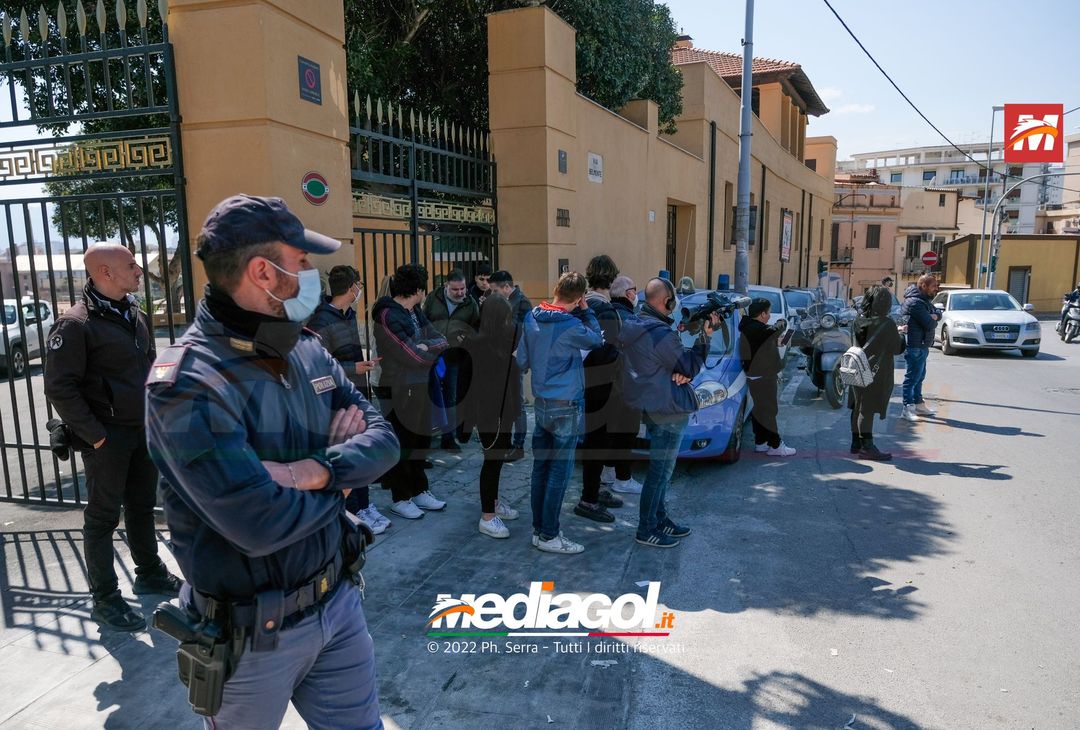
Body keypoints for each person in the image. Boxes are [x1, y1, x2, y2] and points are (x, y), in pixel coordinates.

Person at [144, 194, 399, 727]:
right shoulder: (188, 382)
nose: (311, 273)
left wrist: (318, 471)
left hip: (339, 605)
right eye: (301, 262)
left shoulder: (304, 347)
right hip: (250, 640)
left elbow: (385, 439)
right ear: (263, 272)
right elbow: (257, 524)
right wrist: (347, 483)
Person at [43, 242, 181, 632]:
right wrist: (96, 436)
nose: (139, 270)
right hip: (106, 437)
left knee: (140, 507)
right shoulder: (75, 324)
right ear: (104, 272)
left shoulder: (132, 312)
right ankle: (105, 599)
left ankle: (150, 573)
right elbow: (59, 387)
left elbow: (148, 365)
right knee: (103, 518)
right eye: (131, 265)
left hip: (140, 430)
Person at [618, 278, 718, 548]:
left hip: (654, 404)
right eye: (674, 301)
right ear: (667, 302)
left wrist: (678, 366)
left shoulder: (639, 325)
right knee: (660, 472)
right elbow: (687, 366)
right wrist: (705, 338)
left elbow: (670, 363)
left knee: (661, 469)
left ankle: (659, 519)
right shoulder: (660, 333)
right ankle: (646, 528)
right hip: (667, 409)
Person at [517, 271, 603, 554]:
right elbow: (596, 340)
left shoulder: (531, 316)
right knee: (559, 473)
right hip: (566, 404)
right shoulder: (572, 325)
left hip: (541, 401)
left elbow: (522, 361)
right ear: (579, 298)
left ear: (555, 290)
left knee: (540, 467)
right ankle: (550, 534)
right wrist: (587, 312)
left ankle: (538, 530)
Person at [307, 265, 390, 534]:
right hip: (334, 400)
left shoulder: (349, 314)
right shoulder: (321, 320)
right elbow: (319, 366)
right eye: (359, 285)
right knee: (345, 454)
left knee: (361, 450)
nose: (360, 291)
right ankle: (352, 510)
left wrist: (359, 367)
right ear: (352, 287)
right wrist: (355, 368)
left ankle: (364, 504)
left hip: (356, 392)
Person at [372, 263, 450, 519]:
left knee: (420, 440)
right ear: (417, 289)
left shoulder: (415, 311)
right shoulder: (387, 315)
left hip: (421, 384)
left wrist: (426, 346)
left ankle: (419, 490)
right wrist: (427, 350)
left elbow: (441, 339)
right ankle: (400, 496)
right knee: (403, 443)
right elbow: (408, 354)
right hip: (399, 387)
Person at [460, 290, 523, 538]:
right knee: (492, 460)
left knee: (497, 461)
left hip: (502, 410)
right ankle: (488, 516)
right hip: (489, 412)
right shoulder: (479, 346)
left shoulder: (503, 341)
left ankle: (494, 502)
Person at [576, 255, 626, 523]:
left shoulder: (584, 305)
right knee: (597, 443)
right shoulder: (603, 310)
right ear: (613, 278)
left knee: (597, 442)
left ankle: (595, 490)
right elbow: (605, 352)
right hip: (601, 386)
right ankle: (589, 499)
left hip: (587, 382)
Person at [422, 269, 480, 451]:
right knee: (429, 394)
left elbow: (476, 328)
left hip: (455, 356)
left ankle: (449, 436)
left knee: (451, 396)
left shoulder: (470, 304)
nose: (460, 293)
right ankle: (427, 435)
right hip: (432, 354)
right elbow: (424, 320)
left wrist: (466, 337)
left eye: (462, 288)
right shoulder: (433, 298)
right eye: (455, 289)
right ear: (446, 286)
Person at [849, 286, 906, 461]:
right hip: (877, 371)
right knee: (867, 409)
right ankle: (868, 446)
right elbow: (897, 349)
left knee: (857, 405)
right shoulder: (887, 323)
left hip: (856, 366)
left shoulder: (858, 320)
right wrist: (901, 334)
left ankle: (855, 443)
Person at [737, 298, 796, 457]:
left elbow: (765, 341)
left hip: (757, 374)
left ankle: (761, 442)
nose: (770, 316)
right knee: (769, 410)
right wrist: (783, 322)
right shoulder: (755, 328)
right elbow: (774, 329)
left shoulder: (751, 327)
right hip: (763, 375)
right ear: (762, 313)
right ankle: (776, 445)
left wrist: (777, 342)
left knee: (760, 409)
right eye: (769, 313)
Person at [489, 270, 533, 461]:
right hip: (503, 358)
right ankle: (506, 441)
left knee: (517, 403)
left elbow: (523, 333)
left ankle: (519, 444)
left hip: (514, 359)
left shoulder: (522, 303)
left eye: (495, 290)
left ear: (507, 287)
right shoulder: (506, 301)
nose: (493, 295)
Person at [606, 275, 644, 495]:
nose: (636, 294)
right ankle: (623, 478)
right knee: (627, 433)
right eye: (634, 289)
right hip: (628, 385)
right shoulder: (630, 319)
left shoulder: (606, 313)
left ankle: (609, 472)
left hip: (607, 384)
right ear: (628, 294)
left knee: (611, 431)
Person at [899, 273, 941, 422]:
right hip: (915, 345)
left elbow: (938, 313)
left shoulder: (925, 301)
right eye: (933, 286)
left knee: (920, 376)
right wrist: (933, 317)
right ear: (923, 286)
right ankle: (907, 407)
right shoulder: (915, 303)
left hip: (922, 344)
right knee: (912, 377)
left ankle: (918, 404)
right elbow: (929, 324)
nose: (936, 289)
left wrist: (934, 315)